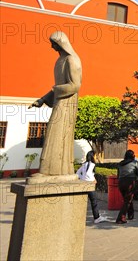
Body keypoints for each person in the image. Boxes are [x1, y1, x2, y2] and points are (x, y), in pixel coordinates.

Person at [29, 31, 82, 183]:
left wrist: (54, 90)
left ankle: (50, 171)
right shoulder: (60, 60)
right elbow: (57, 87)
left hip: (67, 103)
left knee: (57, 134)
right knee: (54, 135)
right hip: (60, 101)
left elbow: (75, 86)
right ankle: (49, 171)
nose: (51, 46)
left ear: (61, 43)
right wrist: (43, 99)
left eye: (54, 43)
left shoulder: (71, 60)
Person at [76, 150, 108, 223]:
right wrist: (93, 180)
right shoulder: (92, 164)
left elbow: (78, 173)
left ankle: (80, 218)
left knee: (84, 202)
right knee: (94, 201)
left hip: (83, 184)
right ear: (92, 156)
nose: (96, 157)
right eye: (95, 156)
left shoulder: (84, 164)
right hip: (89, 185)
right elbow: (88, 174)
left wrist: (82, 178)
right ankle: (97, 218)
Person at [116, 149, 138, 224]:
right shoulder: (135, 162)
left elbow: (118, 175)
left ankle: (131, 215)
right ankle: (120, 218)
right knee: (127, 200)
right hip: (130, 182)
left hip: (121, 182)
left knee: (127, 199)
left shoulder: (120, 164)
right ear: (132, 156)